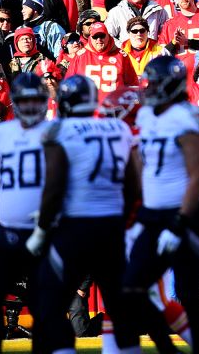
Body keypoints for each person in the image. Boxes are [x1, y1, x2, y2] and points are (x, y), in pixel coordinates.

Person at [26, 75, 139, 354]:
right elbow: (134, 184)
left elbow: (53, 185)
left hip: (74, 227)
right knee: (120, 307)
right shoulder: (117, 129)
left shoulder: (57, 130)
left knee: (50, 306)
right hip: (111, 227)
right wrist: (122, 220)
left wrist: (42, 229)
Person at [123, 56, 199, 354]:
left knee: (189, 295)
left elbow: (198, 173)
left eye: (157, 82)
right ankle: (168, 349)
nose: (151, 88)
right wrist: (132, 214)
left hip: (185, 215)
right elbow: (139, 166)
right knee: (131, 287)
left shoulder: (188, 115)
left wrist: (179, 222)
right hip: (151, 214)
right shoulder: (147, 116)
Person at [0, 73, 49, 354]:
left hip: (39, 229)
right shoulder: (4, 132)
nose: (30, 106)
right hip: (6, 229)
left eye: (35, 100)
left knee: (45, 302)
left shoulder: (53, 133)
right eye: (24, 100)